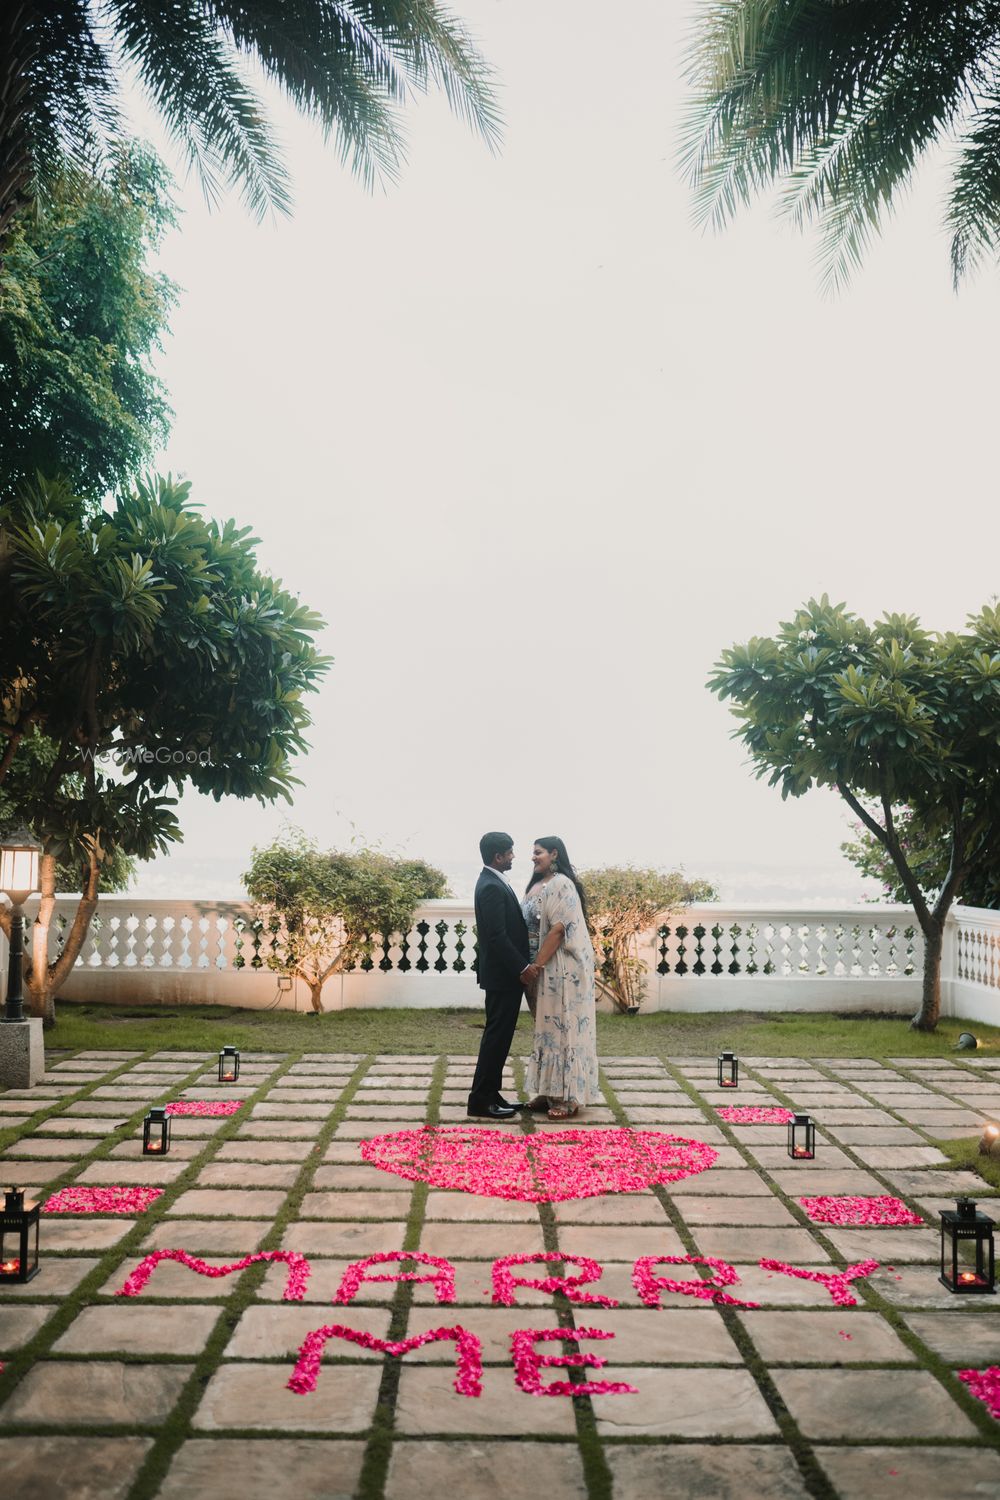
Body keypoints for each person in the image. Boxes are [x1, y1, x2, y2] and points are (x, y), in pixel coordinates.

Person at [520, 836, 599, 1120]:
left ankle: (568, 1097)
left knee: (564, 1031)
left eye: (538, 852)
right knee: (546, 1032)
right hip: (537, 967)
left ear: (554, 854)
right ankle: (547, 1091)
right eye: (532, 852)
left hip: (558, 969)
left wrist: (536, 967)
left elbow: (558, 929)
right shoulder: (536, 885)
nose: (533, 857)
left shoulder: (561, 884)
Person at [467, 831, 532, 1120]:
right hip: (504, 976)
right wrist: (523, 967)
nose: (513, 857)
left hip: (503, 976)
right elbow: (496, 936)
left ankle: (491, 1094)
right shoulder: (491, 886)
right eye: (510, 853)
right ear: (498, 856)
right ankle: (480, 1100)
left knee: (500, 1038)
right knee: (496, 1038)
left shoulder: (492, 881)